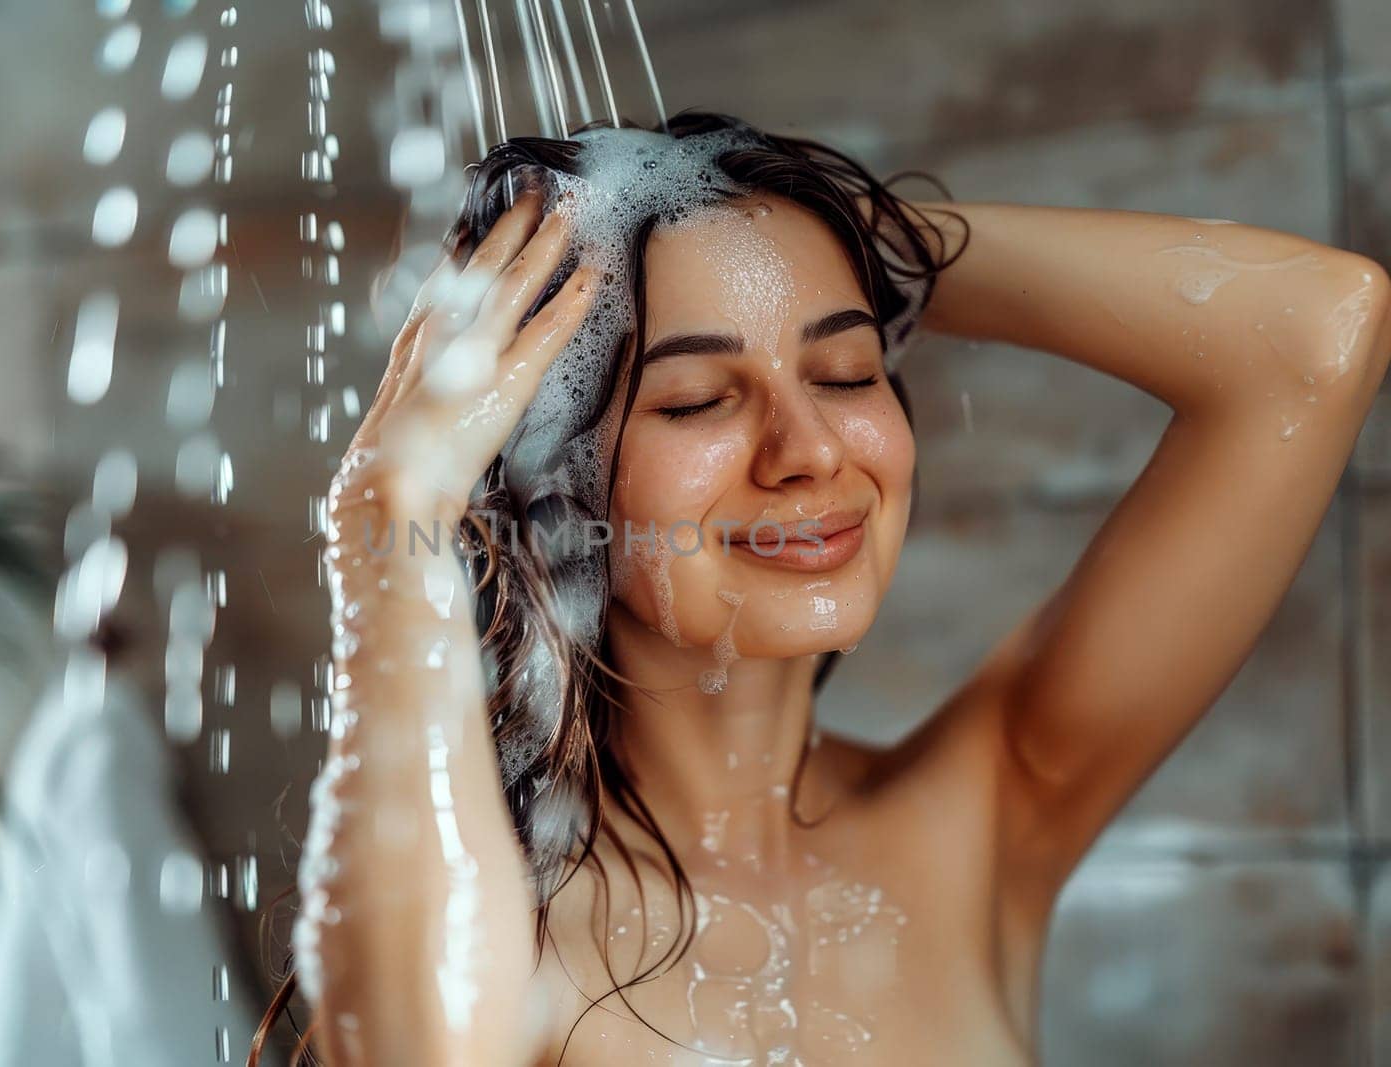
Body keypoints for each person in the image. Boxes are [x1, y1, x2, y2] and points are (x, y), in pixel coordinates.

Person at [254, 111, 1390, 1066]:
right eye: (699, 399)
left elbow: (1313, 333)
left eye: (845, 369)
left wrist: (852, 233)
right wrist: (384, 528)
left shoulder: (981, 817)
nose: (809, 450)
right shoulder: (495, 923)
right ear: (555, 482)